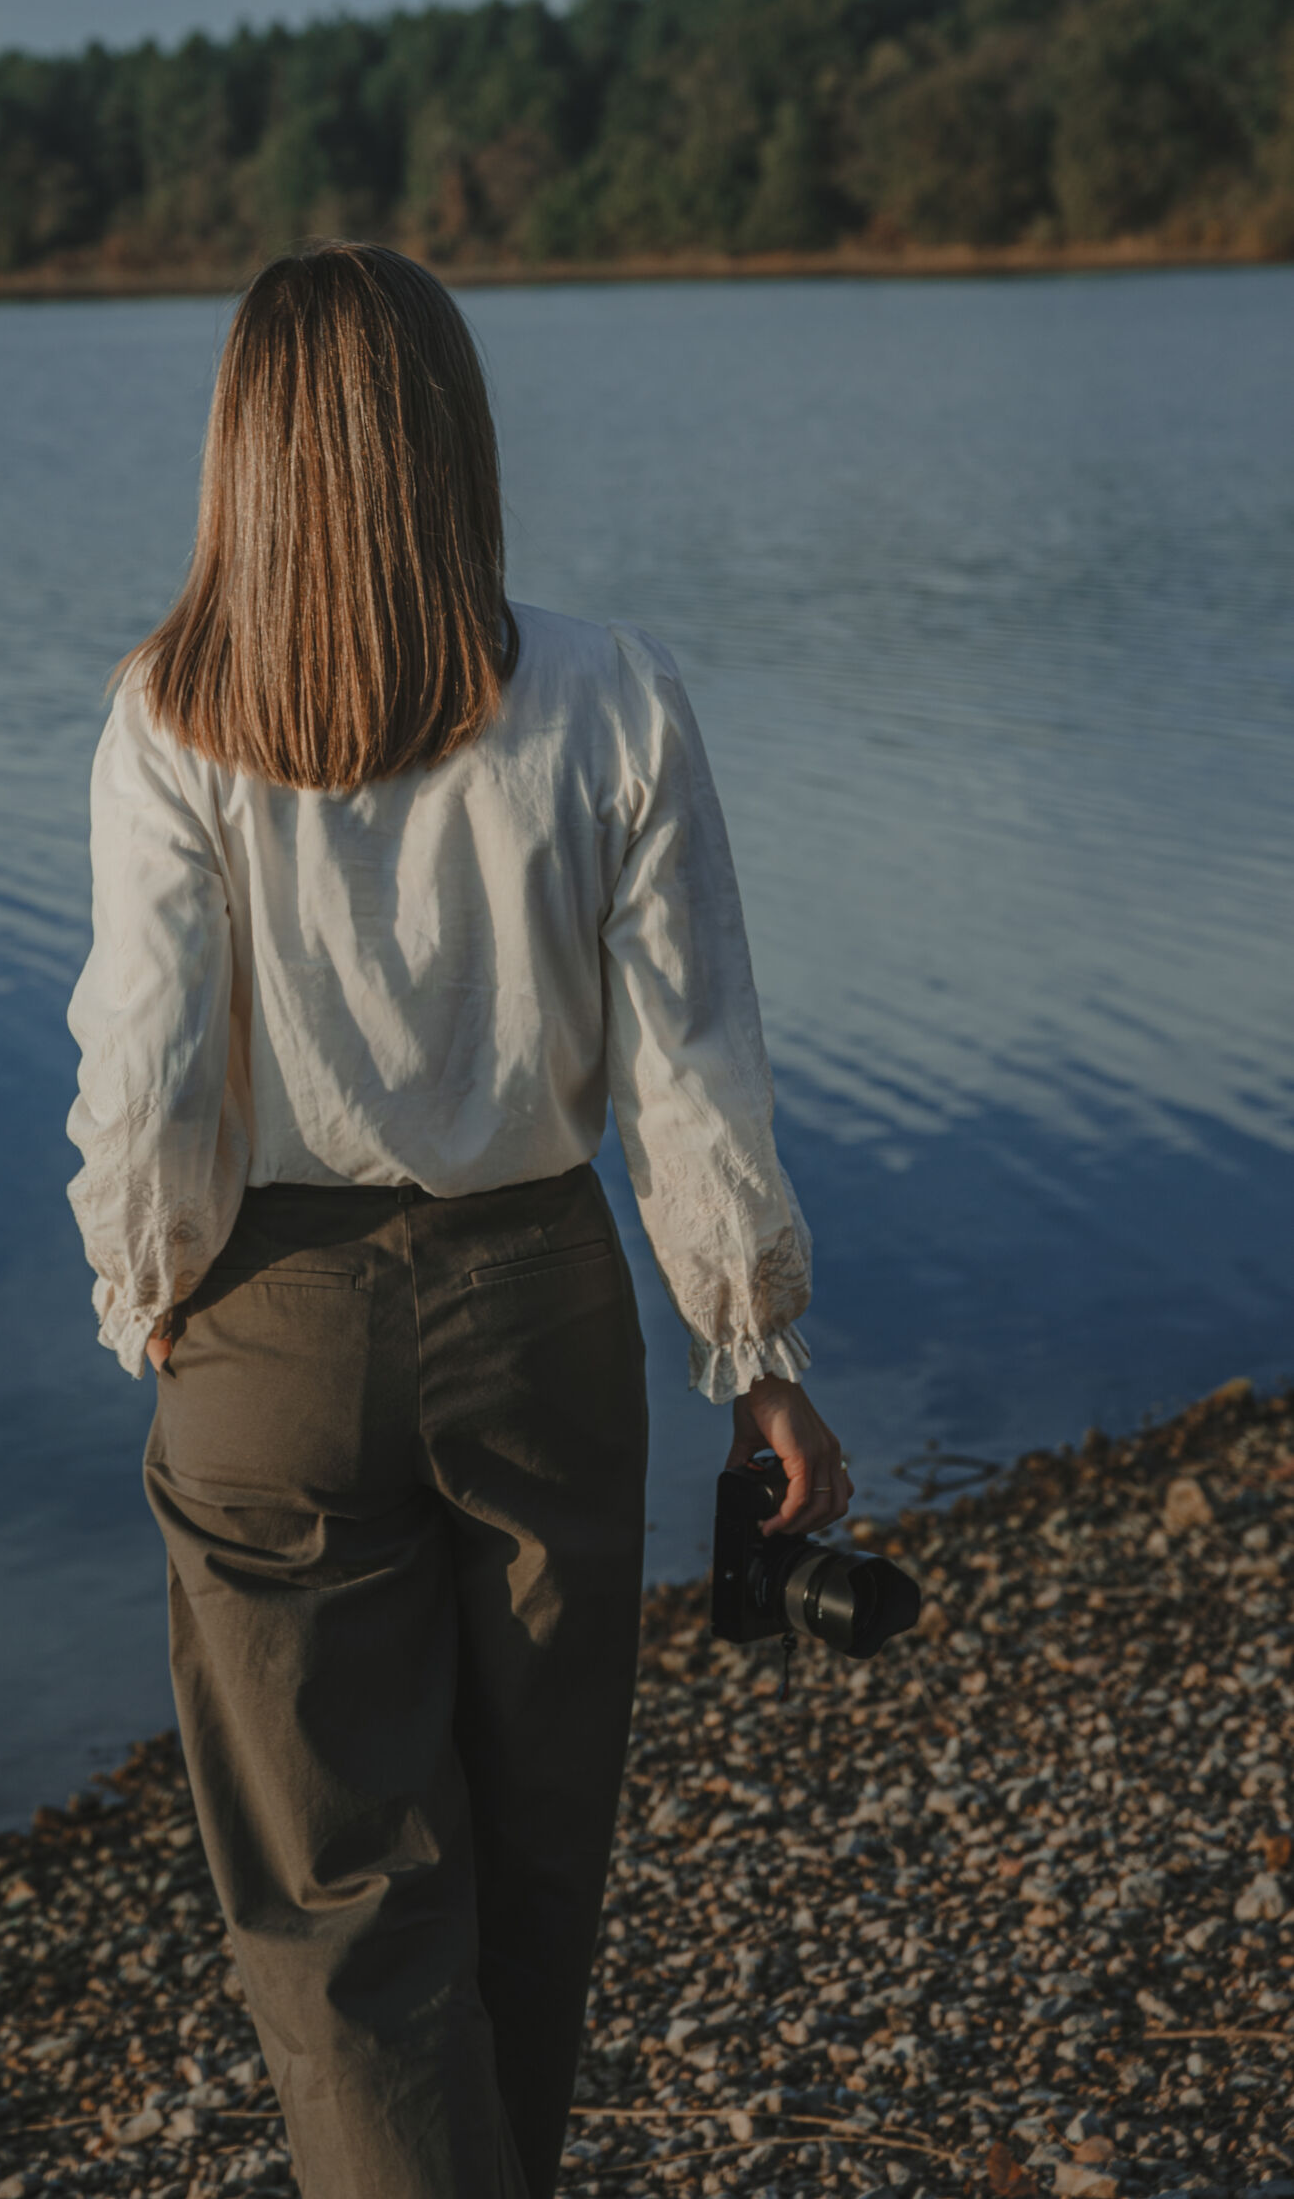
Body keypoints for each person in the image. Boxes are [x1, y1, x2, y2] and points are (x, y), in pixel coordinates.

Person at [65, 240, 850, 2199]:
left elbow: (146, 1065)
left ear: (241, 453)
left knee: (342, 1908)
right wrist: (751, 1356)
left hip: (267, 1332)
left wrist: (143, 1289)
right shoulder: (610, 692)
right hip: (543, 1309)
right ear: (453, 436)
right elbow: (690, 1063)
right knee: (532, 1851)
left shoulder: (167, 713)